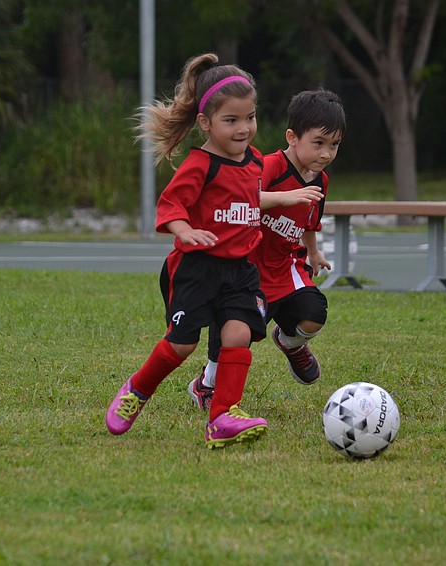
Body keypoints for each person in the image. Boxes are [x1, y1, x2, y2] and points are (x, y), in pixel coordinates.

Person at [105, 53, 269, 449]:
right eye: (231, 120)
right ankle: (137, 391)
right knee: (183, 344)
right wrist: (186, 230)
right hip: (196, 268)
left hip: (239, 271)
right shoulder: (199, 164)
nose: (244, 128)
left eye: (249, 118)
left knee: (238, 333)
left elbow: (257, 199)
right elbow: (171, 205)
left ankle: (222, 416)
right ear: (205, 122)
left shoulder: (257, 161)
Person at [188, 89, 345, 410]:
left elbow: (311, 218)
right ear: (292, 137)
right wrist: (284, 197)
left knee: (314, 315)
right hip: (246, 265)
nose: (327, 153)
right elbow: (241, 197)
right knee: (238, 332)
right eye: (319, 143)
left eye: (334, 145)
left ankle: (289, 342)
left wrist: (313, 252)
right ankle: (206, 383)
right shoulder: (269, 166)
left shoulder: (321, 179)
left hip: (286, 265)